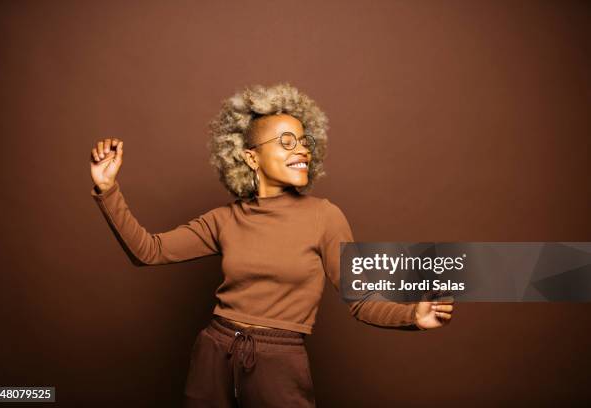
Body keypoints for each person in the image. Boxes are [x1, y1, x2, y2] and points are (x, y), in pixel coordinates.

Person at [88, 83, 454, 407]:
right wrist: (108, 189)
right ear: (250, 157)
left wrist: (412, 316)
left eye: (305, 141)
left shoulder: (325, 216)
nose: (303, 150)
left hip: (279, 364)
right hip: (213, 354)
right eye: (286, 142)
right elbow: (149, 251)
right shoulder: (225, 219)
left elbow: (360, 299)